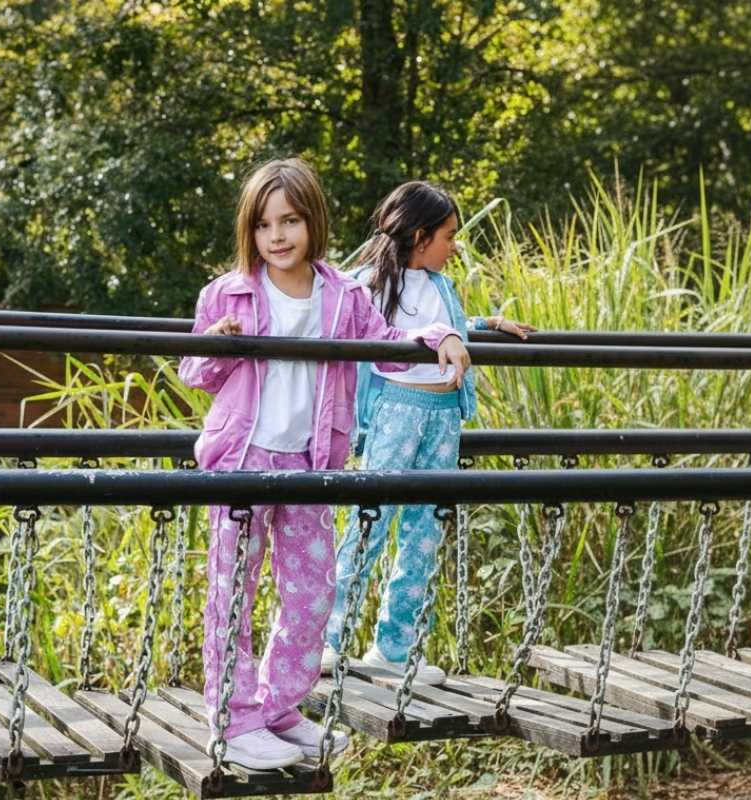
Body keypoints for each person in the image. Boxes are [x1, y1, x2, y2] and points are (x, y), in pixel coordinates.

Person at [179, 161, 470, 769]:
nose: (277, 236)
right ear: (249, 232)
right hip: (242, 459)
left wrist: (439, 335)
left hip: (312, 462)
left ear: (313, 222)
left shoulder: (342, 294)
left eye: (289, 221)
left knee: (311, 594)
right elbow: (194, 374)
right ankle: (233, 719)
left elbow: (387, 345)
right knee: (234, 589)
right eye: (263, 225)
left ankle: (281, 709)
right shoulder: (229, 292)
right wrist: (220, 343)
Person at [322, 181, 533, 685]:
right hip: (396, 409)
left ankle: (394, 649)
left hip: (442, 415)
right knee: (370, 522)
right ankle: (328, 641)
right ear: (419, 235)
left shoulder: (440, 285)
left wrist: (487, 324)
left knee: (423, 533)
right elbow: (386, 335)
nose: (454, 245)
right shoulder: (367, 284)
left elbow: (446, 326)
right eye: (448, 235)